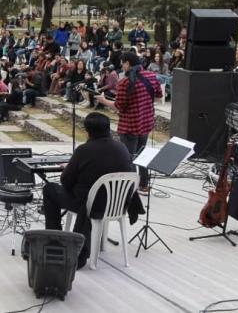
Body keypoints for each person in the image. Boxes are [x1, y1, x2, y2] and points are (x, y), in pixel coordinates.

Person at [42, 112, 137, 268]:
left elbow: (65, 181)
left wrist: (72, 169)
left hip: (88, 205)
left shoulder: (84, 150)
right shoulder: (122, 147)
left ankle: (55, 239)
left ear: (87, 131)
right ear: (109, 128)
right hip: (117, 205)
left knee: (50, 189)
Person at [97, 52, 162, 192]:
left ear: (127, 63)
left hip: (129, 125)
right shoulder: (151, 76)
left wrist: (103, 101)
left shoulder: (125, 82)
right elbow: (158, 97)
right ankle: (144, 184)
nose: (121, 65)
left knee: (128, 157)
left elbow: (118, 106)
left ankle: (130, 187)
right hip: (146, 122)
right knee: (142, 155)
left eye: (122, 63)